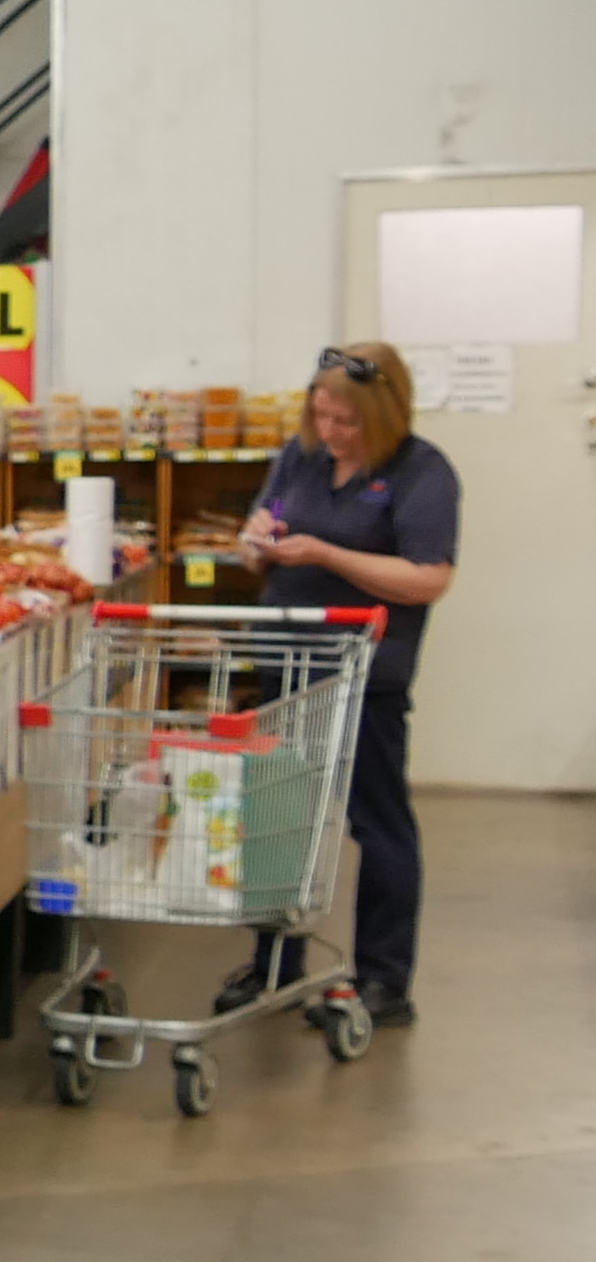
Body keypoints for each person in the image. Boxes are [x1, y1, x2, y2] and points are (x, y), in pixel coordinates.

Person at [227, 343, 456, 1023]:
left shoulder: (423, 471)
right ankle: (273, 965)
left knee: (376, 823)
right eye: (322, 415)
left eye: (347, 421)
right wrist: (254, 539)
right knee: (275, 817)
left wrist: (327, 553)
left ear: (385, 415)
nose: (331, 432)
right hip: (285, 662)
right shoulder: (301, 459)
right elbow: (252, 542)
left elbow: (429, 577)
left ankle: (384, 979)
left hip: (362, 674)